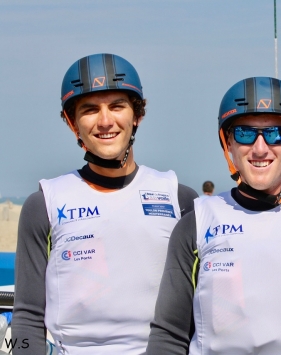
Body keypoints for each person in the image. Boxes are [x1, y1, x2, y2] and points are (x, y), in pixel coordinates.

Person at [147, 77, 281, 354]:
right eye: (244, 133)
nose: (259, 148)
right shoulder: (195, 223)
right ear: (227, 142)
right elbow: (170, 334)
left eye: (276, 134)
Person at [11, 53, 198, 354]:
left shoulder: (181, 200)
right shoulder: (43, 204)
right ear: (73, 123)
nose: (105, 121)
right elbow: (28, 316)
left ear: (137, 115)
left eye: (117, 106)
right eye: (90, 110)